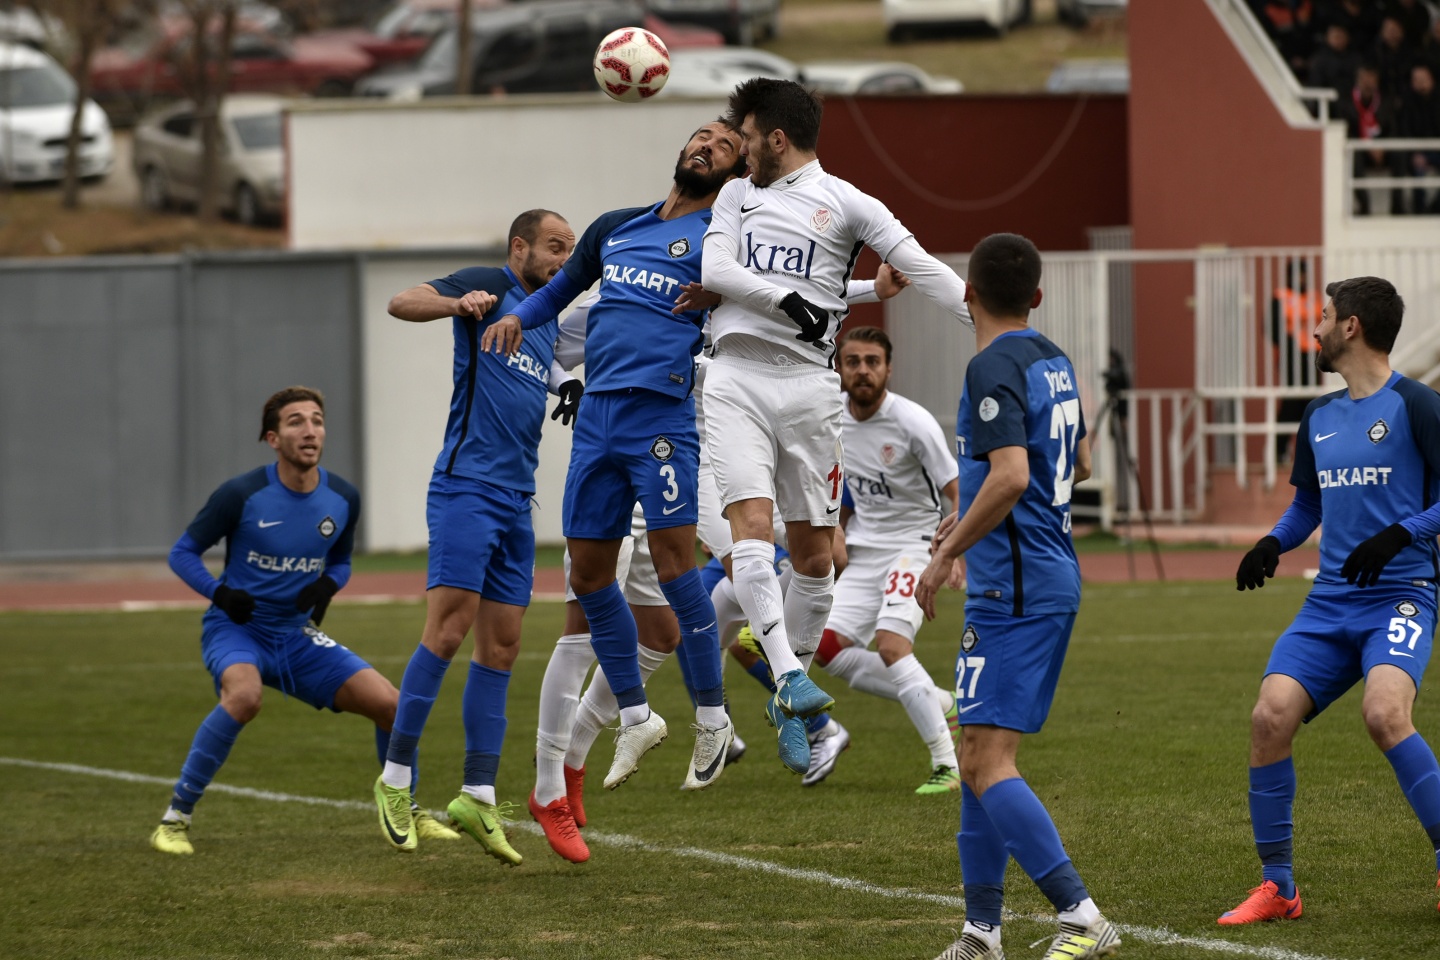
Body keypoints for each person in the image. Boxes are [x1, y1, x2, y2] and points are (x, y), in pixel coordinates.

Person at [482, 122, 748, 838]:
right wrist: (516, 319)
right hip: (596, 418)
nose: (705, 147)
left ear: (735, 173)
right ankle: (636, 715)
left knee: (675, 566)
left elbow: (775, 290)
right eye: (700, 137)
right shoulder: (615, 227)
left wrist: (727, 293)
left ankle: (714, 718)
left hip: (660, 417)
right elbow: (560, 292)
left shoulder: (724, 238)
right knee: (590, 575)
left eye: (723, 146)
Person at [699, 77, 972, 774]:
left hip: (809, 390)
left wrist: (992, 324)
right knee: (750, 529)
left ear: (777, 139)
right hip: (735, 377)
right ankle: (790, 676)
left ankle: (788, 699)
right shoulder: (735, 196)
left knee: (816, 559)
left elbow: (921, 267)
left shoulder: (850, 203)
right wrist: (787, 301)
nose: (741, 149)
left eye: (748, 137)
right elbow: (716, 268)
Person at [916, 234, 1118, 960]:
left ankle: (1082, 916)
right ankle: (982, 932)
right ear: (1036, 297)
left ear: (968, 293)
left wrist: (947, 553)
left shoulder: (991, 365)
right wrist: (970, 514)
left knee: (988, 761)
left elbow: (1011, 476)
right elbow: (1079, 464)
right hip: (1035, 573)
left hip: (1017, 587)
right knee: (974, 753)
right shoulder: (1052, 359)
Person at [151, 387, 460, 854]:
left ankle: (407, 808)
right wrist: (221, 594)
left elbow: (341, 561)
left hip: (296, 636)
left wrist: (327, 586)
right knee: (244, 697)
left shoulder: (343, 498)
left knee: (393, 706)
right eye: (296, 421)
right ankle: (174, 820)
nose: (310, 430)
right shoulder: (240, 494)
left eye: (317, 420)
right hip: (236, 630)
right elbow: (182, 553)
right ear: (273, 438)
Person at [1224, 276, 1440, 923]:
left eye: (1322, 317)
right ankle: (1279, 889)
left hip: (1401, 594)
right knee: (1269, 718)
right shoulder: (1317, 414)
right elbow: (1309, 506)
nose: (1314, 329)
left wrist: (1403, 533)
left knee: (1385, 714)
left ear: (1351, 327)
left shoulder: (1418, 406)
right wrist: (1272, 542)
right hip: (1329, 602)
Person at [373, 209, 576, 863]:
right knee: (448, 630)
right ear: (519, 248)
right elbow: (401, 301)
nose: (563, 259)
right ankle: (395, 781)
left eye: (571, 250)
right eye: (554, 246)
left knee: (504, 646)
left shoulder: (548, 317)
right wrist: (456, 303)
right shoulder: (488, 283)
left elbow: (560, 365)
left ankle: (477, 796)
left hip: (518, 501)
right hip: (467, 487)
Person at [812, 326, 963, 795]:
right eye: (853, 361)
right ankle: (941, 701)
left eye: (872, 362)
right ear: (839, 368)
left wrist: (953, 553)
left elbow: (958, 492)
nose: (862, 370)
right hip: (865, 549)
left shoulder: (913, 422)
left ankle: (947, 763)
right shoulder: (830, 418)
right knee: (825, 647)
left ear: (888, 369)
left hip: (915, 545)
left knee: (892, 645)